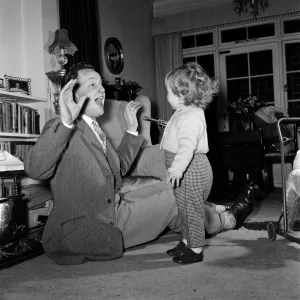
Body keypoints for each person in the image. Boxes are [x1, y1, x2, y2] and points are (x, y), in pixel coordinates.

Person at [24, 62, 254, 265]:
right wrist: (65, 121)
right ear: (71, 95)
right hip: (93, 225)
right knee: (175, 197)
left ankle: (208, 213)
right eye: (92, 85)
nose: (102, 88)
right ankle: (227, 219)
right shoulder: (61, 128)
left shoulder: (95, 130)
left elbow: (118, 171)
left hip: (110, 206)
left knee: (168, 188)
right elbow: (36, 169)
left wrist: (131, 129)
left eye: (101, 84)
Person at [160, 62, 251, 265]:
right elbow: (181, 136)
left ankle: (195, 249)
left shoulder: (189, 118)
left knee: (192, 211)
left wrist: (176, 169)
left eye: (168, 92)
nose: (166, 96)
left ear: (182, 95)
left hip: (189, 169)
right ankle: (186, 241)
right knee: (184, 210)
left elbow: (186, 148)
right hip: (186, 170)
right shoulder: (185, 112)